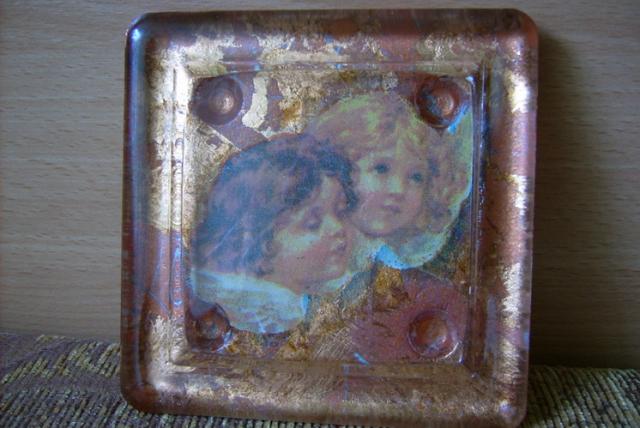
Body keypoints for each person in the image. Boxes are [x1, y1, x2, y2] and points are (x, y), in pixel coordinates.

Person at [189, 133, 357, 340]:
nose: (338, 228)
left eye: (341, 211)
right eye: (312, 224)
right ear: (254, 236)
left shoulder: (304, 304)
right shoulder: (270, 315)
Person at [308, 91, 473, 270]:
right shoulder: (305, 261)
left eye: (416, 177)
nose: (397, 189)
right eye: (381, 169)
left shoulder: (404, 271)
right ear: (338, 168)